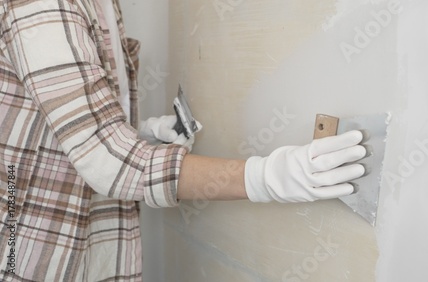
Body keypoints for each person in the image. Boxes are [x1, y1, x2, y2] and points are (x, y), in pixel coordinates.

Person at [0, 0, 367, 280]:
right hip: (32, 241)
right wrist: (263, 178)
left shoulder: (102, 5)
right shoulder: (45, 7)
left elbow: (66, 117)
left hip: (93, 238)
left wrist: (142, 132)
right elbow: (104, 160)